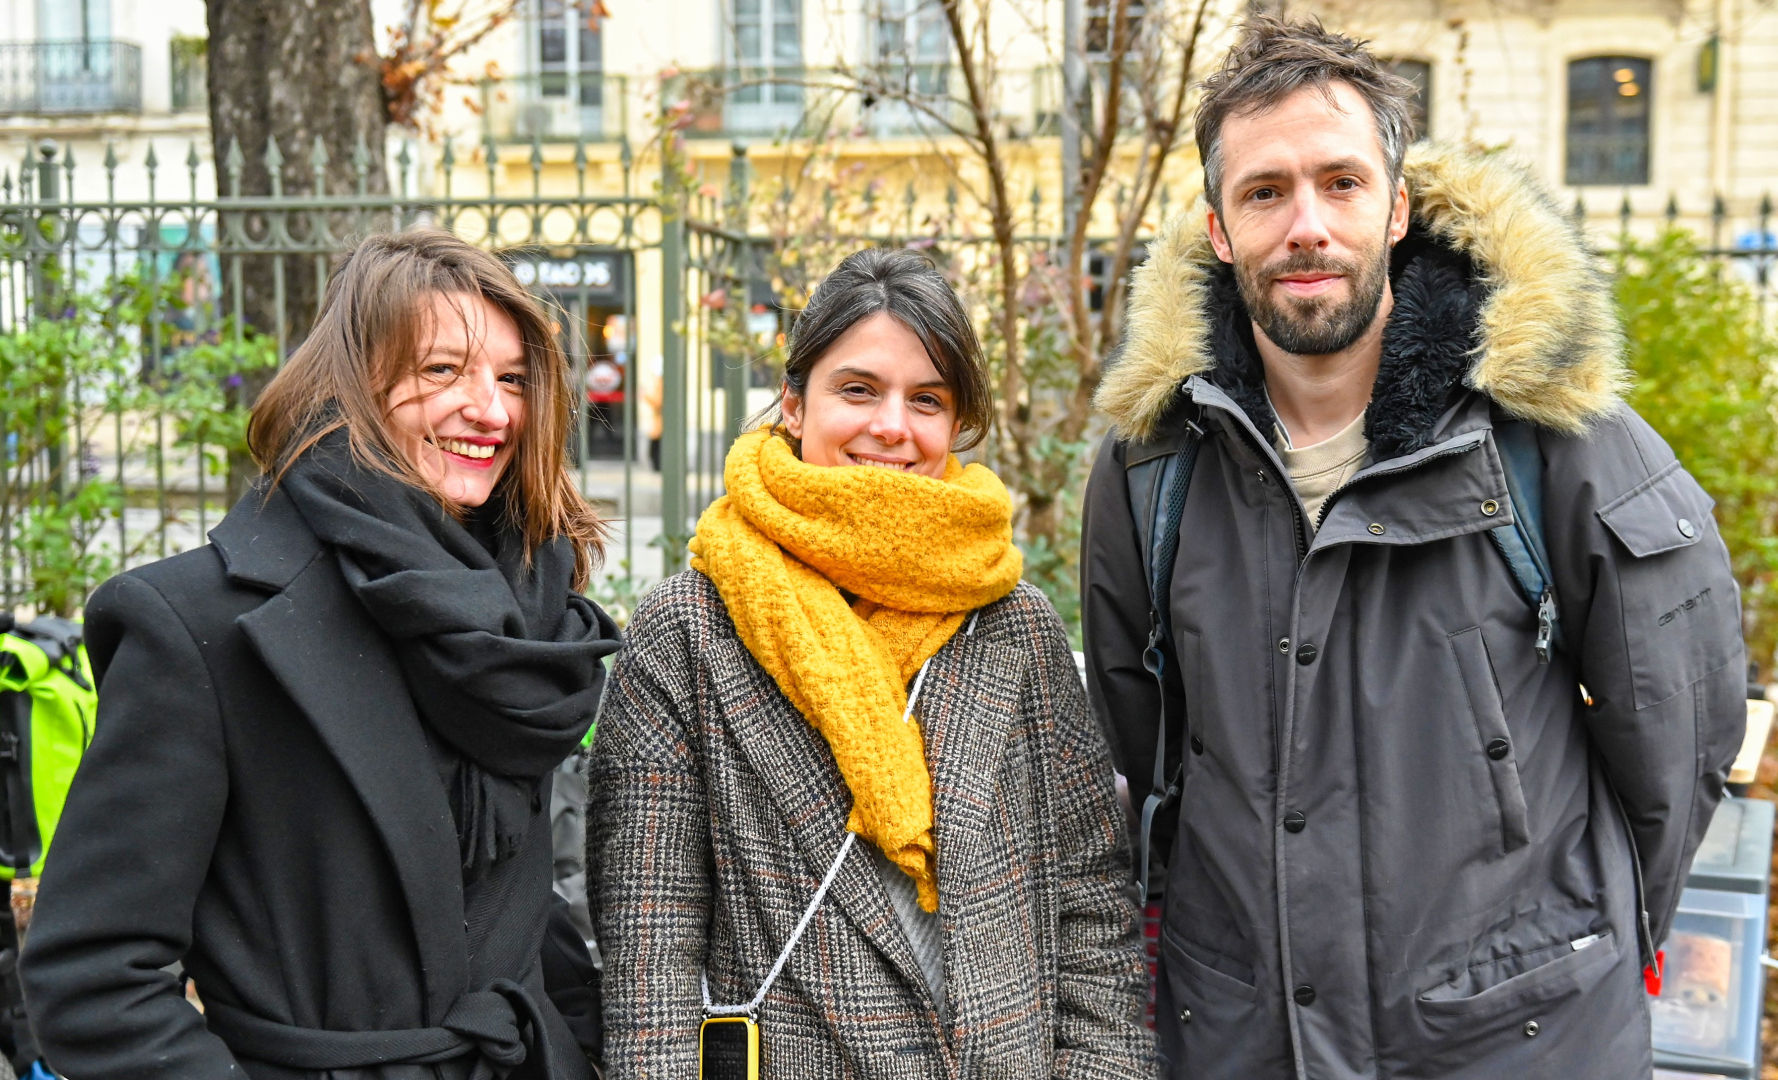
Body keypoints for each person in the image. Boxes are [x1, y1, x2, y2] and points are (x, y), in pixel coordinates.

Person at [1081, 17, 1745, 1080]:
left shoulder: (1553, 441)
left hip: (1514, 1042)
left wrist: (1573, 942)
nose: (1305, 225)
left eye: (1339, 183)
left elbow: (1677, 730)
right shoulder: (1150, 467)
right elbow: (1149, 743)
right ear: (1216, 228)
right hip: (1244, 1038)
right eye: (1264, 192)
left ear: (1394, 208)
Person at [19, 230, 622, 1079]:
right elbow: (91, 979)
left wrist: (580, 1041)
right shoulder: (199, 623)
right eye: (442, 370)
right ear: (351, 388)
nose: (490, 410)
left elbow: (501, 905)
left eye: (512, 378)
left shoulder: (524, 620)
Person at [589, 248, 1154, 1078]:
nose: (893, 426)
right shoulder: (690, 631)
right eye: (858, 389)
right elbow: (651, 961)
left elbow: (1091, 912)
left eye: (927, 399)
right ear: (793, 403)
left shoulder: (1014, 625)